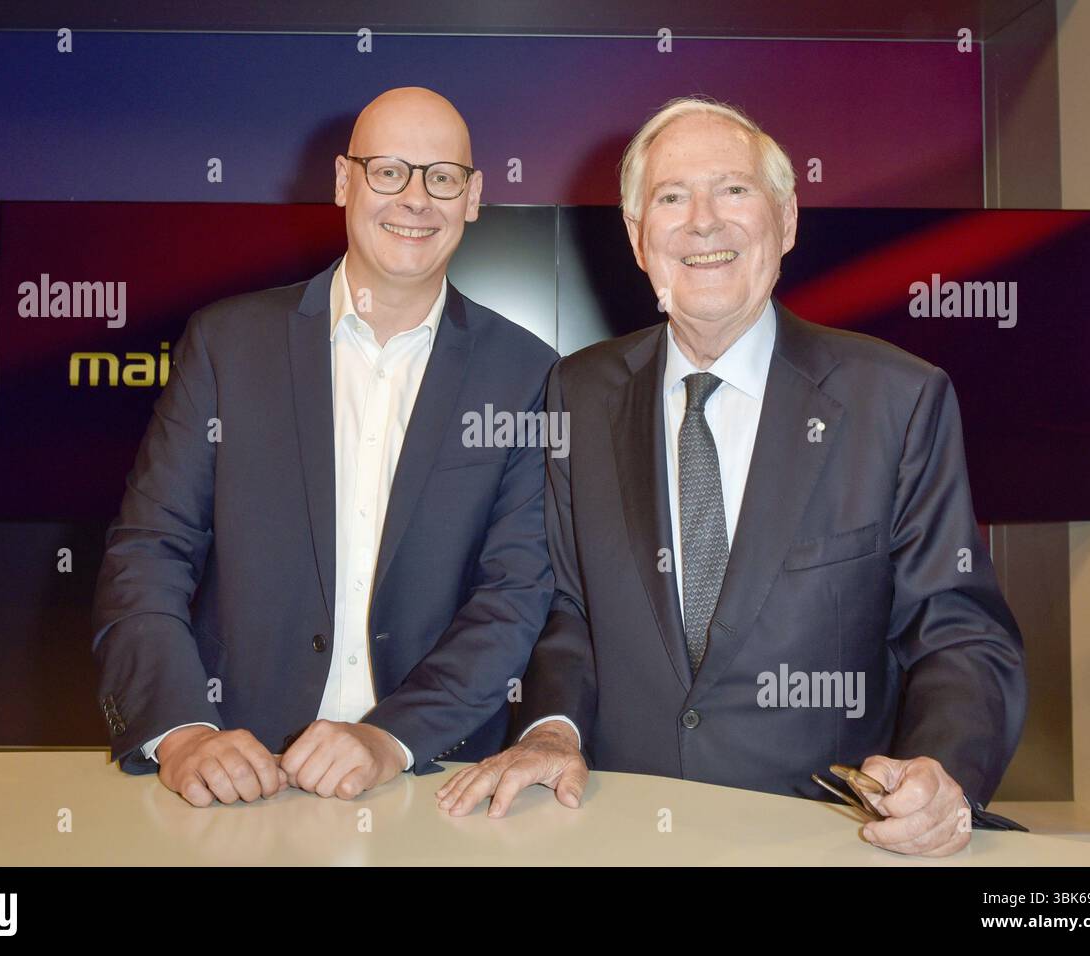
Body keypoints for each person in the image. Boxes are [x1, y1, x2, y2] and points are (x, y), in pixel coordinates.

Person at [436, 96, 1027, 857]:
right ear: (638, 238)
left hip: (828, 839)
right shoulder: (576, 393)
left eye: (733, 190)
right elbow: (569, 609)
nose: (703, 221)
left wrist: (942, 772)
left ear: (785, 220)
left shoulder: (897, 399)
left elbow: (961, 632)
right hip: (615, 831)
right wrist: (553, 728)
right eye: (672, 197)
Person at [92, 87, 558, 807]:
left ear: (473, 198)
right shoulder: (227, 345)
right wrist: (183, 733)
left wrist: (388, 737)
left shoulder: (528, 374)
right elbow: (150, 551)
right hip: (238, 778)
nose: (415, 199)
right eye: (389, 171)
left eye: (441, 177)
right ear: (344, 181)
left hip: (433, 781)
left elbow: (514, 596)